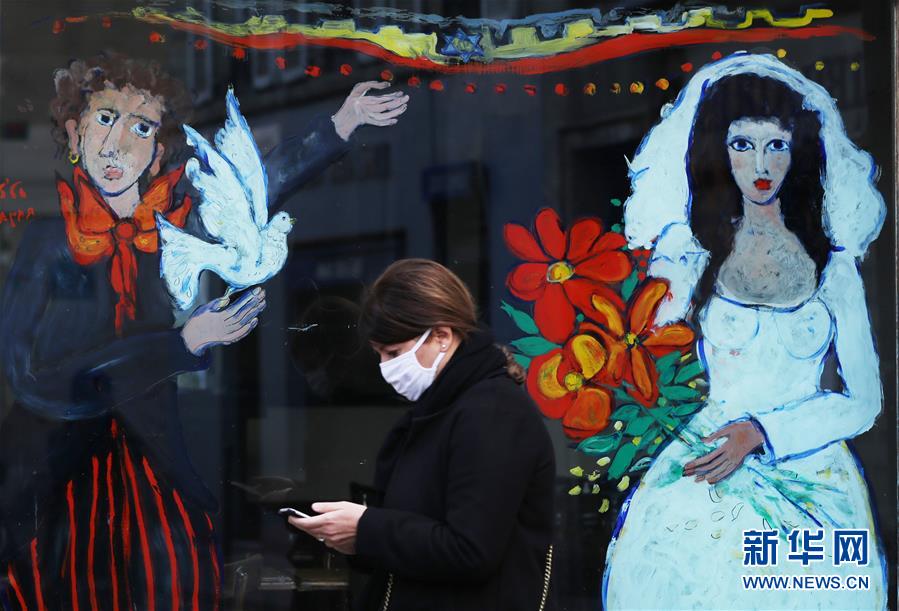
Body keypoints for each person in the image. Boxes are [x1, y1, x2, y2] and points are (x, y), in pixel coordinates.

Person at [0, 51, 407, 610]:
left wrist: (339, 124)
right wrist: (181, 345)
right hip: (62, 480)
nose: (118, 144)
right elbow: (30, 377)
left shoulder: (171, 227)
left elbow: (255, 191)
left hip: (153, 467)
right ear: (75, 135)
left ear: (157, 152)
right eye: (104, 119)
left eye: (141, 128)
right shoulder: (48, 244)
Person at [603, 53, 887, 609]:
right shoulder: (692, 256)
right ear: (718, 151)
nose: (761, 163)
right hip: (708, 468)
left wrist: (763, 432)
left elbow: (864, 402)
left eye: (776, 144)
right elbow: (642, 354)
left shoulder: (833, 267)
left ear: (798, 151)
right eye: (742, 144)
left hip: (812, 474)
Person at [288, 259, 556, 611]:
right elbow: (416, 533)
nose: (385, 367)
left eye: (394, 353)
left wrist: (367, 528)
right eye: (379, 354)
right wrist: (356, 537)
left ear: (442, 336)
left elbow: (470, 550)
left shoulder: (492, 413)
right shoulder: (439, 410)